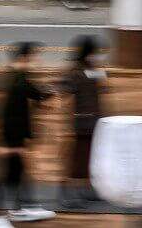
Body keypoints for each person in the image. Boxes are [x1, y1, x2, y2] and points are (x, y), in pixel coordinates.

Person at [0, 41, 56, 227]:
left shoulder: (18, 78)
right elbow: (9, 115)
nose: (37, 62)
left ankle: (23, 207)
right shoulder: (17, 82)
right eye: (34, 58)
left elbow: (36, 93)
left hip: (15, 139)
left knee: (18, 173)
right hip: (10, 140)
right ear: (25, 58)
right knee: (5, 176)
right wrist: (9, 146)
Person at [57, 35, 105, 207]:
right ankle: (66, 193)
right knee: (75, 159)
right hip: (80, 124)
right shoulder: (75, 72)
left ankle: (87, 189)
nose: (98, 55)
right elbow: (63, 90)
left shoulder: (93, 69)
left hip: (94, 123)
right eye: (95, 52)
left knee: (89, 158)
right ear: (87, 53)